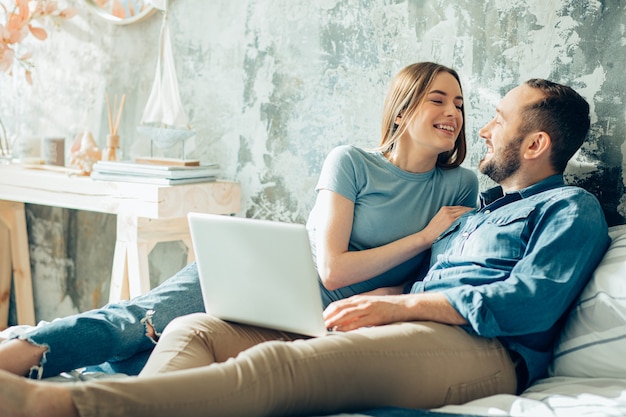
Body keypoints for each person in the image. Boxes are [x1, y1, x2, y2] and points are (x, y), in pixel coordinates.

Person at [0, 78, 611, 417]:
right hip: (392, 322)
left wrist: (394, 308)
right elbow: (417, 280)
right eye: (446, 103)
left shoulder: (570, 210)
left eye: (496, 118)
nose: (478, 124)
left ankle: (66, 408)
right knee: (193, 329)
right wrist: (378, 301)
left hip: (483, 351)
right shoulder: (470, 209)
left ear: (533, 145)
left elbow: (528, 301)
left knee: (277, 370)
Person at [0, 62, 477, 379]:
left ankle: (68, 374)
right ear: (402, 110)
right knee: (137, 324)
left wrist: (386, 299)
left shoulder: (460, 186)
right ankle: (17, 359)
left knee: (173, 364)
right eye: (438, 99)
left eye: (458, 104)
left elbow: (429, 277)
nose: (452, 112)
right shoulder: (351, 162)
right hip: (267, 280)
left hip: (324, 321)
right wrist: (423, 235)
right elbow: (332, 268)